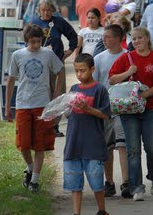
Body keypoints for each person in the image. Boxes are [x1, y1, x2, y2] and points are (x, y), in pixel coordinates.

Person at [109, 27, 153, 202]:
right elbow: (112, 79)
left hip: (151, 108)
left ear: (148, 38)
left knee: (152, 147)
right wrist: (128, 72)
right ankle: (137, 187)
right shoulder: (126, 58)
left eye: (140, 38)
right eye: (133, 39)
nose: (136, 41)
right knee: (133, 149)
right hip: (130, 110)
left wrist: (145, 95)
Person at [5, 24, 65, 193]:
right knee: (23, 145)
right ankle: (30, 168)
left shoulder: (48, 54)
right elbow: (11, 80)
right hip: (23, 103)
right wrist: (8, 104)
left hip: (42, 105)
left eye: (39, 41)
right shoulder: (18, 55)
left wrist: (56, 92)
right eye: (32, 42)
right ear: (26, 41)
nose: (36, 45)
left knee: (40, 145)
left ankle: (35, 181)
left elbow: (60, 71)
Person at [64, 53, 111, 215]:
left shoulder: (100, 89)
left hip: (93, 144)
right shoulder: (73, 89)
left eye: (82, 70)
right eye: (76, 71)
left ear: (92, 69)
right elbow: (68, 113)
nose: (79, 74)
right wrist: (64, 109)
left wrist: (88, 109)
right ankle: (76, 212)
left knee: (97, 183)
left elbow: (106, 114)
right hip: (73, 143)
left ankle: (102, 210)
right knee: (74, 184)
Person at [93, 25, 130, 198]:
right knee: (107, 147)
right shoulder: (99, 58)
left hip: (123, 108)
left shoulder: (127, 57)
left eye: (108, 36)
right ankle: (109, 182)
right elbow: (96, 83)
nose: (104, 39)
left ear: (118, 38)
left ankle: (126, 181)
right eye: (104, 36)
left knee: (122, 145)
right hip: (105, 108)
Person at [32, 0, 77, 137]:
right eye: (43, 10)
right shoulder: (34, 22)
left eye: (48, 10)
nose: (46, 13)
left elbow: (73, 36)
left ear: (53, 10)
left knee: (58, 94)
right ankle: (42, 124)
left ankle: (55, 126)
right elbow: (28, 41)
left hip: (57, 61)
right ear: (39, 10)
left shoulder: (58, 21)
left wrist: (69, 51)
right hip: (40, 64)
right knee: (44, 93)